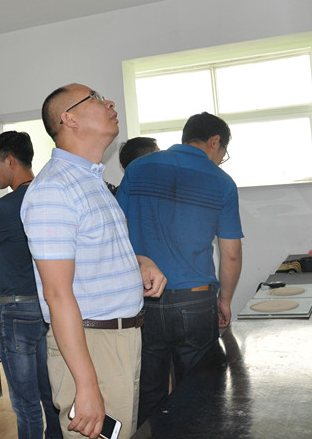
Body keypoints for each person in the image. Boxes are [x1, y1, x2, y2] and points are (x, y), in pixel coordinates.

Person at [20, 83, 167, 439]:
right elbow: (57, 294)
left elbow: (91, 252)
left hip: (117, 339)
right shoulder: (55, 188)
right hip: (91, 345)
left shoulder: (90, 180)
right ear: (69, 119)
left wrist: (139, 262)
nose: (109, 102)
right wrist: (85, 386)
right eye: (97, 98)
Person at [116, 112, 243, 426]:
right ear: (214, 141)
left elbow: (116, 232)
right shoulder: (222, 182)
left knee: (149, 392)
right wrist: (225, 301)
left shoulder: (137, 168)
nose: (221, 159)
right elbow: (230, 255)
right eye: (223, 153)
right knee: (198, 393)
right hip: (195, 301)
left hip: (143, 298)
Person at [0, 131, 62, 439]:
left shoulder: (6, 207)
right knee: (52, 395)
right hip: (50, 309)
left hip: (16, 313)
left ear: (10, 161)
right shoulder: (49, 197)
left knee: (25, 403)